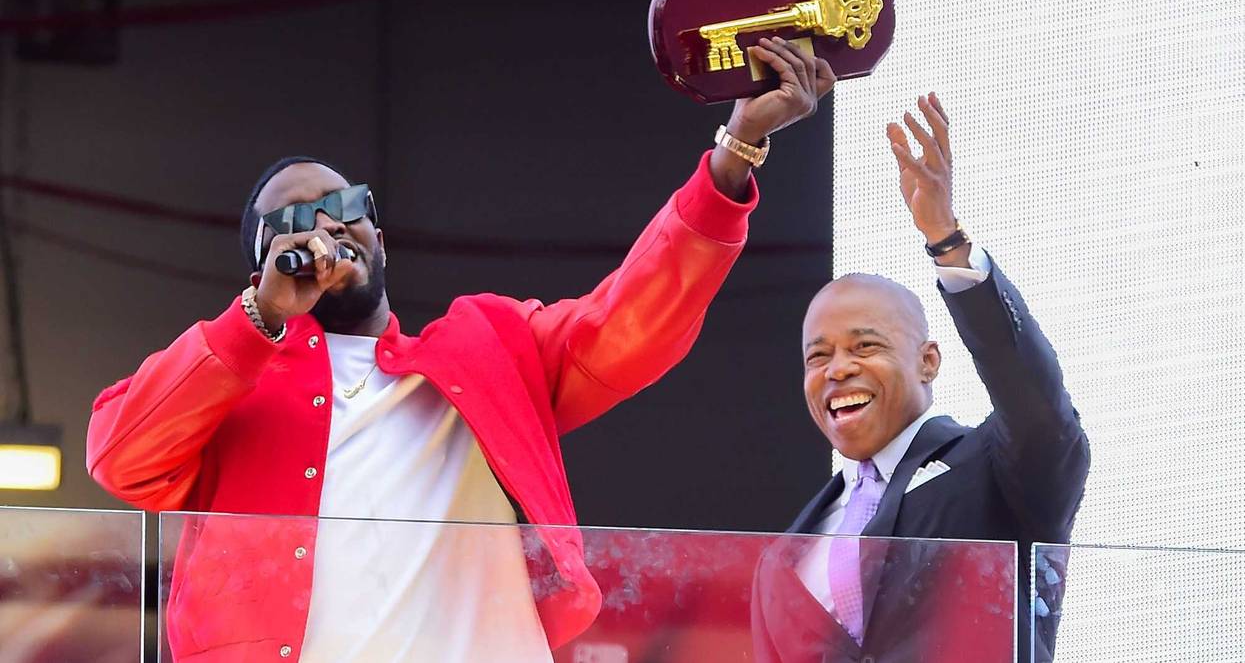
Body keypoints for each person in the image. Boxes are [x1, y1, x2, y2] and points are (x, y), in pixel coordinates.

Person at [85, 37, 834, 663]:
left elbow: (632, 324)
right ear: (262, 268)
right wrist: (259, 319)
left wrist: (733, 156)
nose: (328, 226)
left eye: (345, 206)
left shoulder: (488, 347)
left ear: (380, 237)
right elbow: (121, 456)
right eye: (295, 220)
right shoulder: (230, 380)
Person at [751, 93, 1090, 663]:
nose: (838, 368)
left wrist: (947, 242)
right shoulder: (780, 558)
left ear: (928, 361)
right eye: (818, 356)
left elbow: (1037, 406)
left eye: (865, 346)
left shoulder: (994, 469)